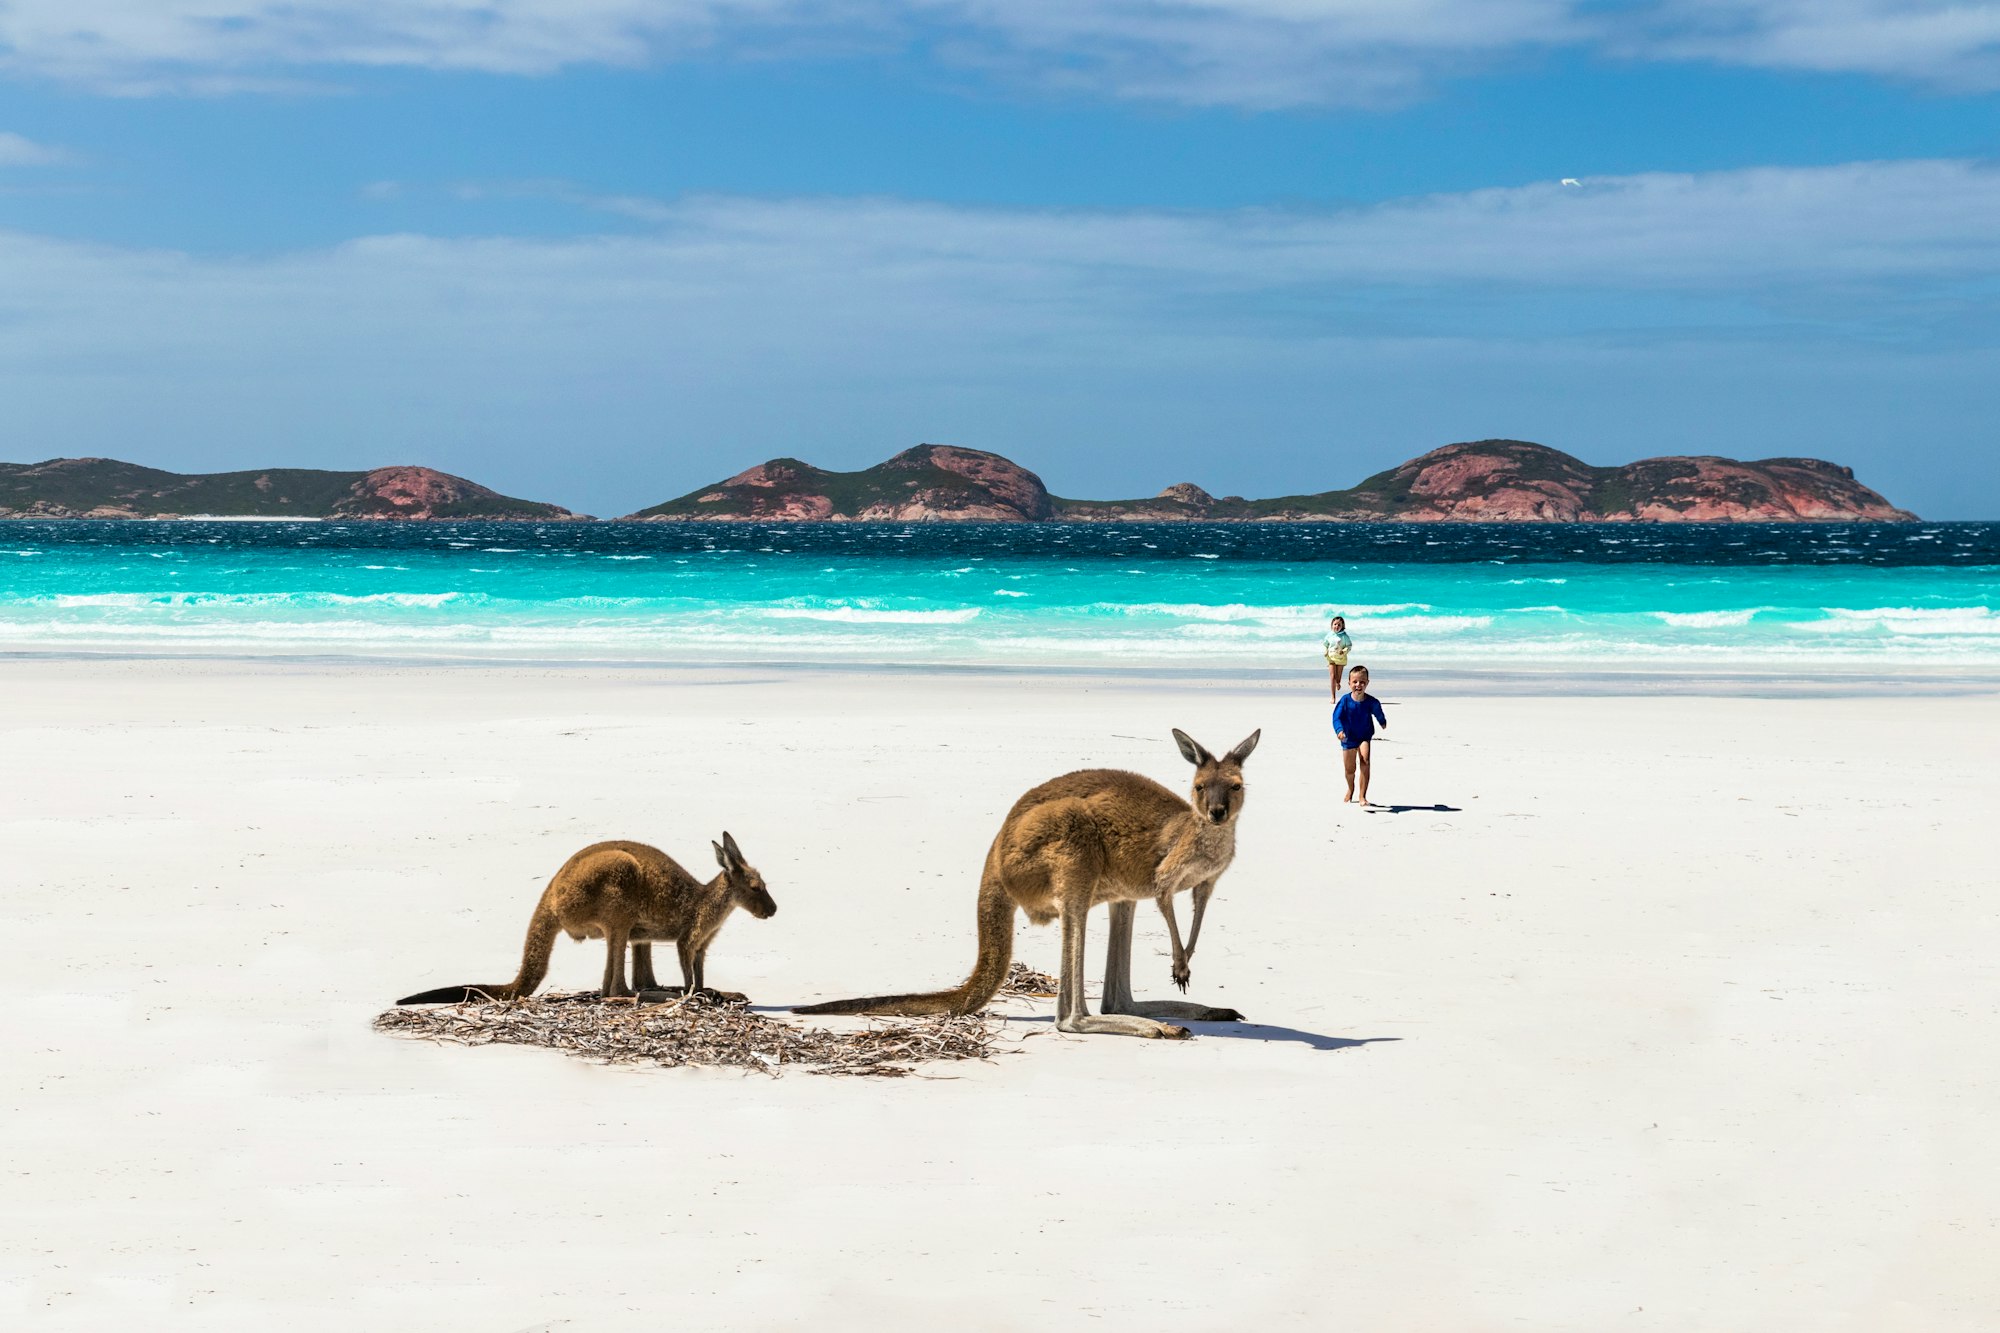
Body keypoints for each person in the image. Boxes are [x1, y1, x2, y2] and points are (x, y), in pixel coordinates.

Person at [1332, 664, 1387, 805]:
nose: (1358, 685)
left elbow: (1377, 710)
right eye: (1355, 682)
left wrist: (1382, 721)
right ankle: (1350, 789)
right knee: (1350, 770)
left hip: (1364, 736)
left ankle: (1362, 796)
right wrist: (1339, 731)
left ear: (1367, 683)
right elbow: (1336, 717)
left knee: (1365, 761)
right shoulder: (1345, 701)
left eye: (1362, 682)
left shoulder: (1371, 701)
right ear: (1349, 683)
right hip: (1348, 738)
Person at [1321, 615, 1351, 701]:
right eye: (1335, 624)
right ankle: (1333, 696)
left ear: (1342, 626)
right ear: (1332, 625)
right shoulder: (1329, 635)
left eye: (1339, 625)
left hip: (1340, 658)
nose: (1336, 626)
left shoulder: (1344, 636)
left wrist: (1344, 651)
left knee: (1338, 678)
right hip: (1331, 657)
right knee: (1332, 676)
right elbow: (1325, 644)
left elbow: (1349, 646)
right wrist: (1325, 651)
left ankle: (1338, 683)